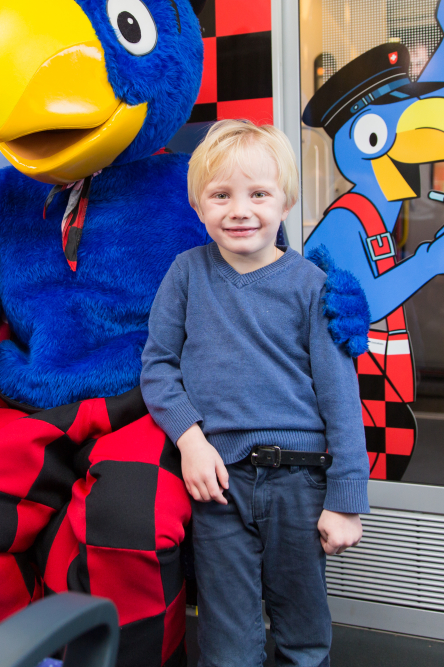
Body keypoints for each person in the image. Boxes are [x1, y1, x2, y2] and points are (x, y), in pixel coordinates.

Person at [141, 120, 370, 667]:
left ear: (286, 202)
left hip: (299, 481)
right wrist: (190, 441)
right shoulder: (186, 274)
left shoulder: (313, 286)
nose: (239, 210)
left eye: (258, 194)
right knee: (226, 636)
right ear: (199, 205)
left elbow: (342, 400)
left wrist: (346, 500)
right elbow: (157, 366)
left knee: (303, 626)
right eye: (221, 195)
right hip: (218, 481)